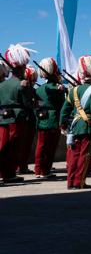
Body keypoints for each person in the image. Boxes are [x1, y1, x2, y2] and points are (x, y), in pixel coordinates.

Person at [60, 55, 91, 190]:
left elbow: (64, 110)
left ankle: (70, 181)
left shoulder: (73, 90)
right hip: (88, 125)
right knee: (85, 154)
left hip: (75, 125)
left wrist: (63, 124)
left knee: (74, 154)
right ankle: (79, 182)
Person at [0, 44, 36, 184]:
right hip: (17, 117)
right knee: (14, 146)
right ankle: (9, 174)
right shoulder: (23, 83)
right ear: (21, 68)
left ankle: (2, 172)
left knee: (3, 145)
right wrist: (36, 104)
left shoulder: (2, 85)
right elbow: (28, 103)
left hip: (2, 116)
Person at [34, 57, 67, 179]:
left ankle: (38, 169)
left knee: (40, 145)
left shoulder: (39, 88)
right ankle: (45, 170)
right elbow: (62, 105)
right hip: (53, 119)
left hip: (41, 118)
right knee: (50, 147)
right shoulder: (57, 89)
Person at [16, 65, 39, 176]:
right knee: (25, 145)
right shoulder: (28, 89)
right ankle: (22, 166)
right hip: (27, 118)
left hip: (21, 118)